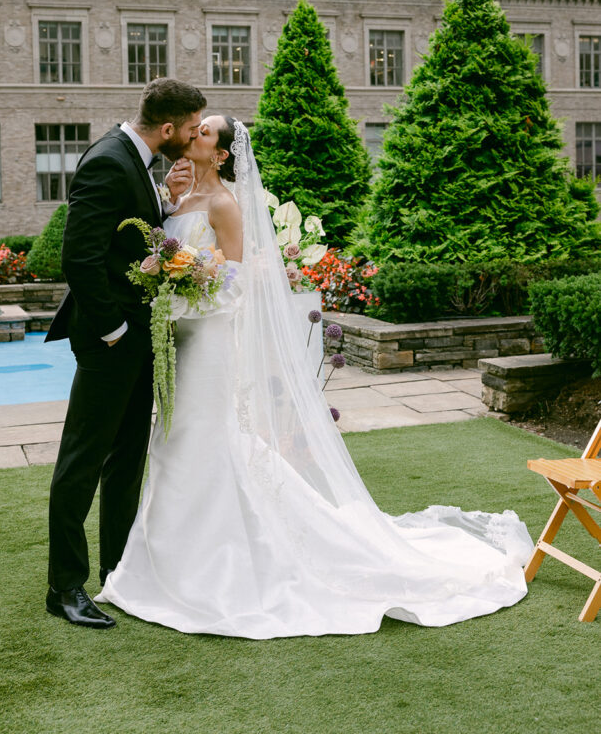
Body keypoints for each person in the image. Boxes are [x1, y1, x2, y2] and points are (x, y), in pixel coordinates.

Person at [97, 118, 534, 638]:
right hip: (177, 342)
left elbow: (235, 286)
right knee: (172, 443)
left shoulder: (225, 206)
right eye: (197, 128)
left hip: (207, 343)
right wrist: (164, 280)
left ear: (221, 155)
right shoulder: (177, 200)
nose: (194, 134)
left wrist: (188, 290)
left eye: (206, 133)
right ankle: (167, 561)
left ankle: (215, 571)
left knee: (200, 439)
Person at [44, 78, 207, 629]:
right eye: (189, 129)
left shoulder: (140, 161)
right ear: (167, 128)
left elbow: (128, 241)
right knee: (82, 462)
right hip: (109, 339)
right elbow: (79, 259)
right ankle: (65, 587)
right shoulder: (108, 160)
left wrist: (167, 205)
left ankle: (119, 569)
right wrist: (113, 329)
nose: (192, 137)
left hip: (139, 337)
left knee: (126, 461)